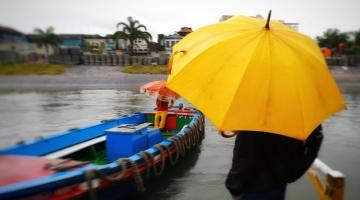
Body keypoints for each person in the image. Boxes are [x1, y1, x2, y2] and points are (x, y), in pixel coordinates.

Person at [225, 126, 323, 200]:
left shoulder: (252, 115)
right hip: (278, 184)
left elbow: (244, 157)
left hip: (252, 189)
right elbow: (315, 139)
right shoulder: (297, 110)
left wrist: (234, 187)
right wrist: (294, 172)